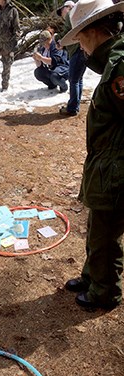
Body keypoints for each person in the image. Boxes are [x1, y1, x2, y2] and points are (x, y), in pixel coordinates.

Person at [61, 0, 124, 309]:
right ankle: (92, 276)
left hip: (117, 170)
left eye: (80, 38)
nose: (80, 47)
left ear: (93, 32)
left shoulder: (120, 65)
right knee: (97, 229)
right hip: (107, 165)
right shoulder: (114, 60)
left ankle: (105, 292)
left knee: (106, 236)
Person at [56, 1, 87, 116]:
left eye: (62, 11)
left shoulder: (71, 14)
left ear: (68, 7)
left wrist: (58, 39)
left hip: (77, 51)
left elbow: (67, 34)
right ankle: (75, 105)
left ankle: (72, 108)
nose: (62, 15)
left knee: (73, 80)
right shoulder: (80, 16)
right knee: (79, 79)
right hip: (84, 49)